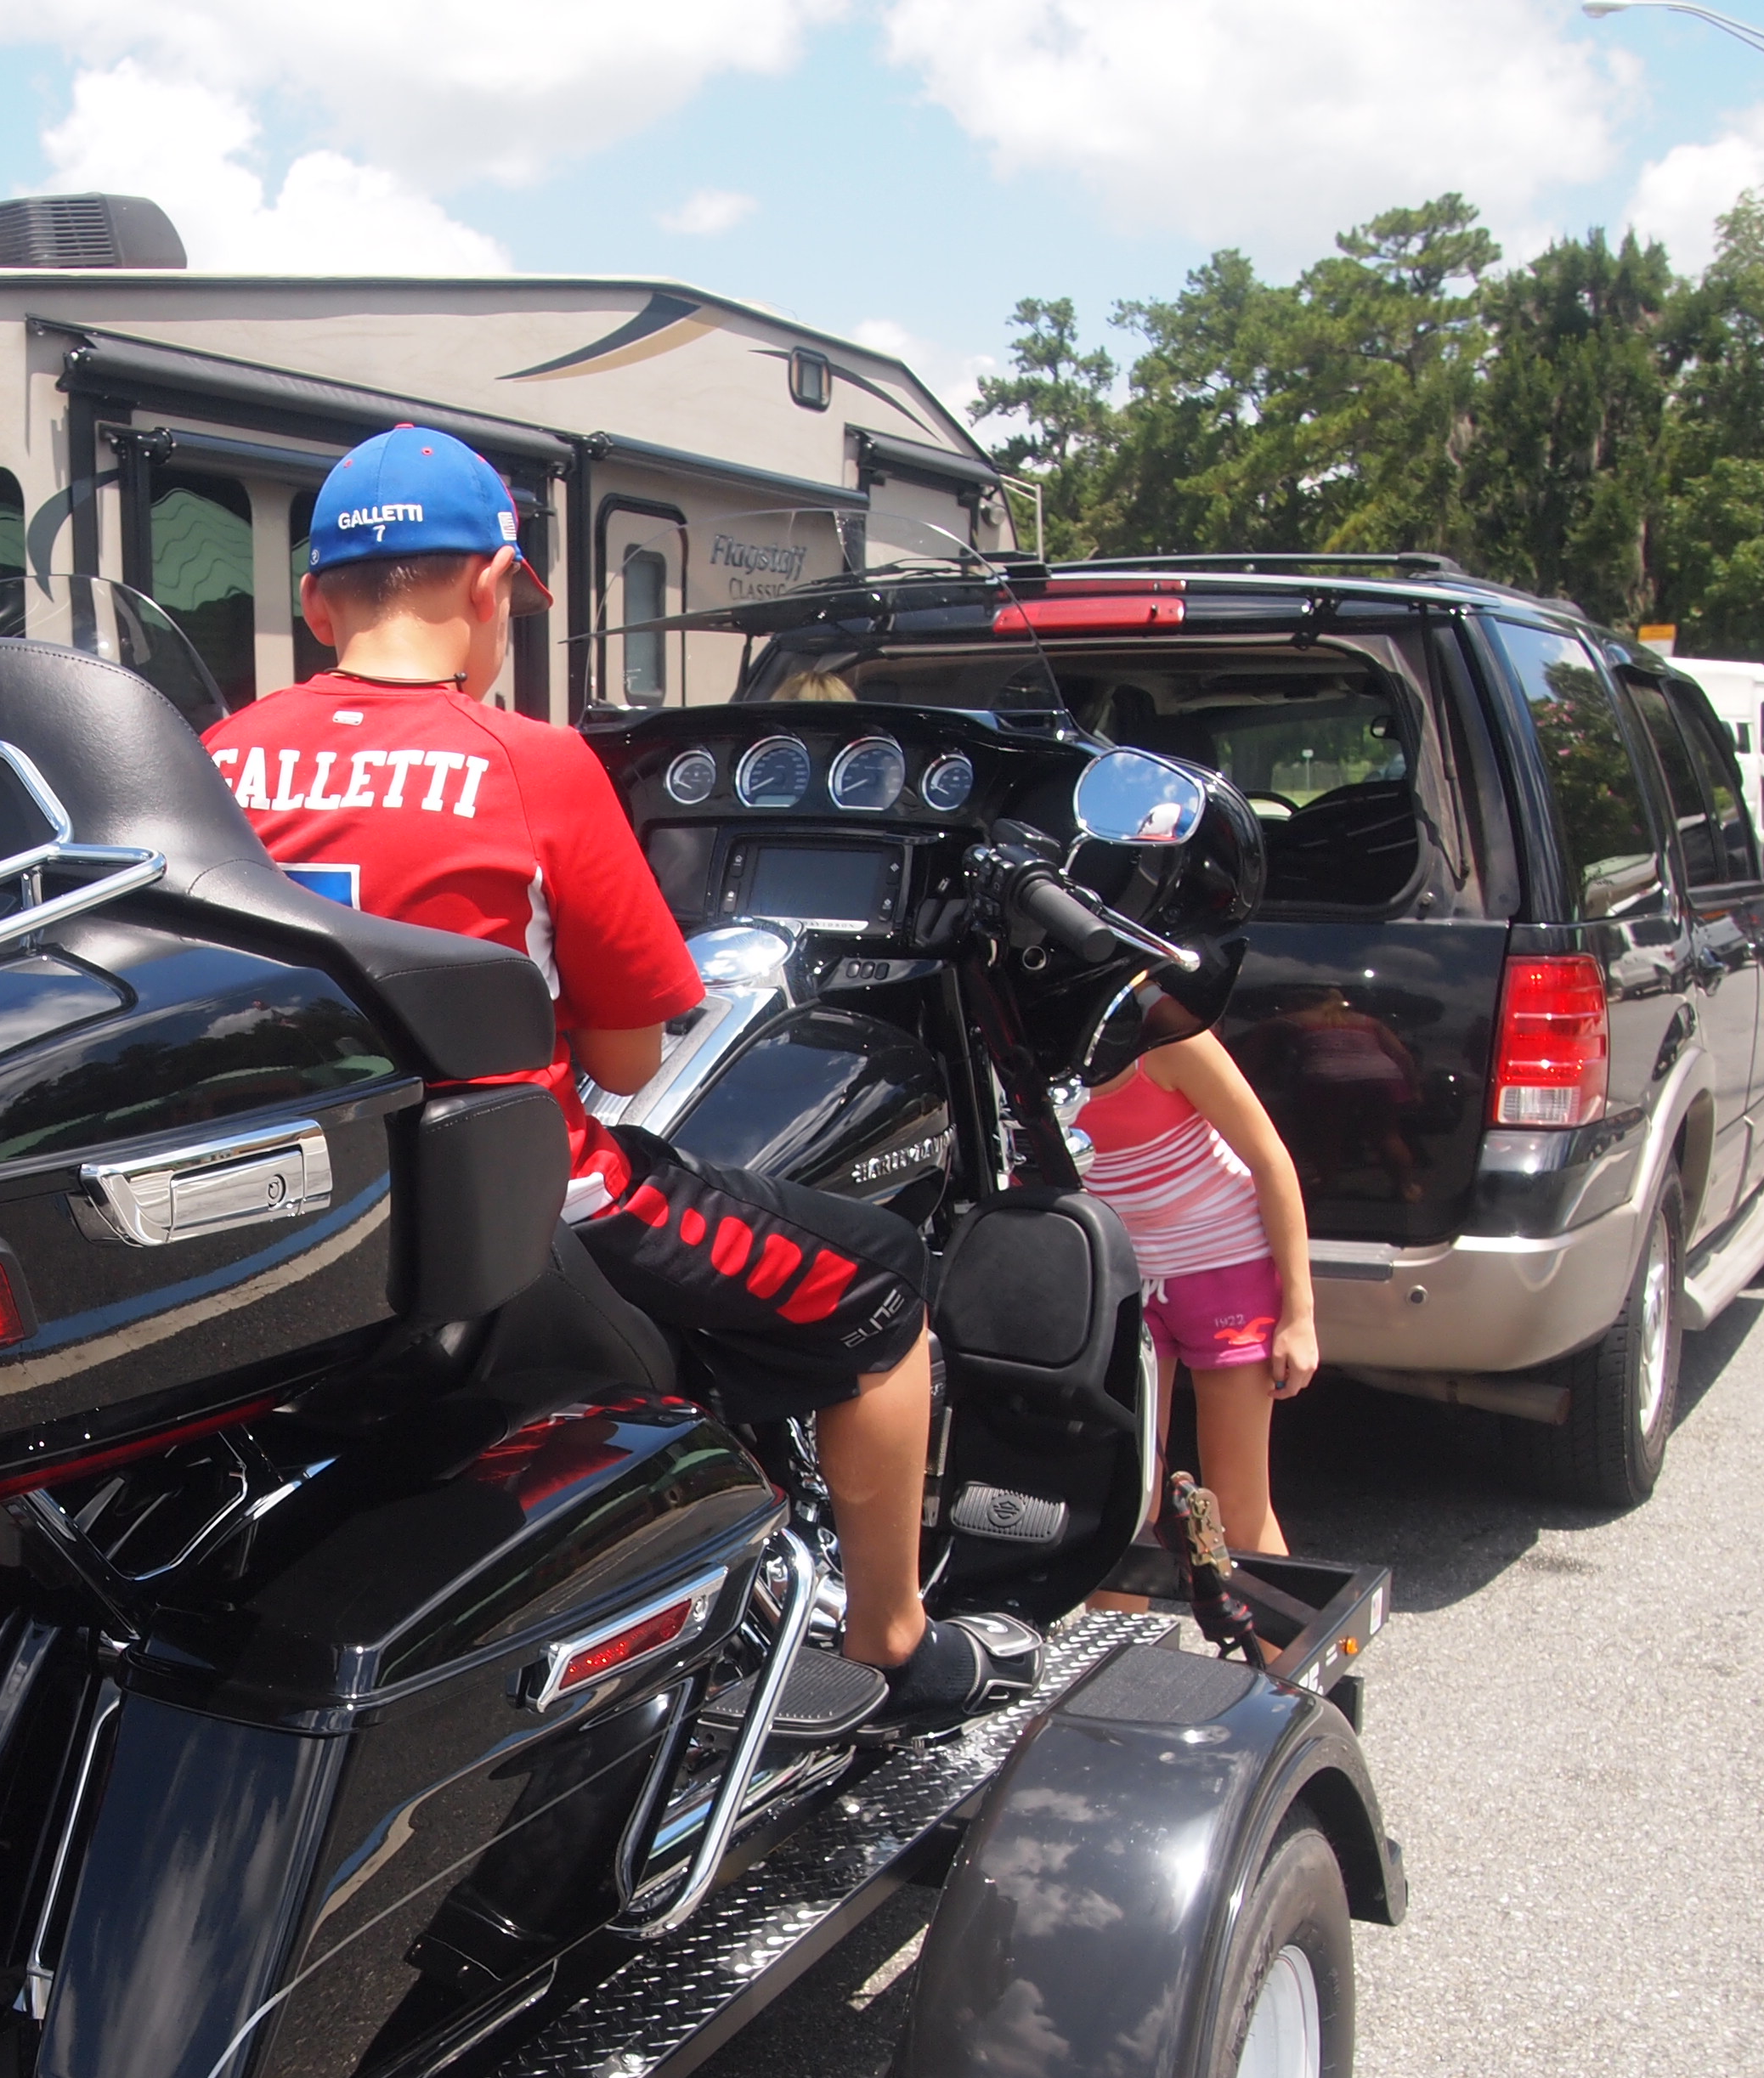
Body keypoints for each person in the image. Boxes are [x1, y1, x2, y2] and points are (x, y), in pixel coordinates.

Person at [201, 426, 1022, 1719]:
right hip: (523, 1206)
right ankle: (891, 1642)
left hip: (286, 1204)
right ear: (490, 586)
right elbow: (630, 1056)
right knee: (880, 1292)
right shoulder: (531, 763)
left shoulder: (217, 758)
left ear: (316, 604)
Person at [1075, 1026, 1319, 1552]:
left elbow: (1270, 1159)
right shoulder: (1014, 1047)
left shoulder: (1168, 1035)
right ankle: (1131, 1612)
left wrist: (1300, 1315)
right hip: (1123, 1276)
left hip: (1226, 1267)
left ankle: (1267, 1613)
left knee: (1238, 1504)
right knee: (1126, 1503)